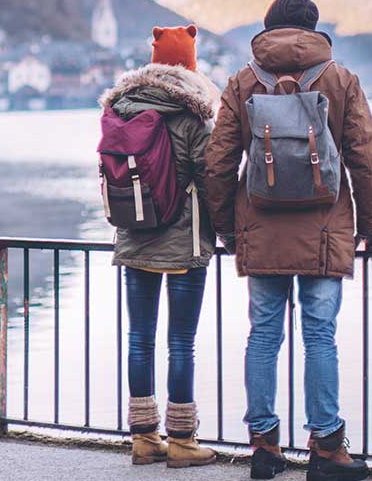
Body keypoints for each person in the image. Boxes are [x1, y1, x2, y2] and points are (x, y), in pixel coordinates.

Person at [204, 0, 372, 481]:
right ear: (313, 29)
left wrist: (226, 228)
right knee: (319, 336)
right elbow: (364, 160)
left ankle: (264, 448)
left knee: (263, 335)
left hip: (260, 229)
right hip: (326, 229)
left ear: (267, 29)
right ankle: (326, 448)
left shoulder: (244, 81)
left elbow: (219, 165)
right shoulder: (340, 79)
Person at [100, 24, 220, 467]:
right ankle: (184, 441)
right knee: (181, 342)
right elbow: (210, 179)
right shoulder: (192, 115)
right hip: (184, 242)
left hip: (134, 238)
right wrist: (222, 229)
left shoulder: (121, 109)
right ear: (190, 63)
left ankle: (144, 438)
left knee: (139, 339)